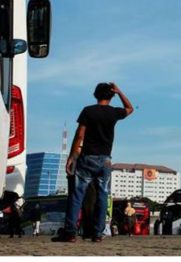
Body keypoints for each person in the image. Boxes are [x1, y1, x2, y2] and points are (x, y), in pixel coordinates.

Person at [55, 82, 134, 243]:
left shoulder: (88, 111)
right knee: (102, 197)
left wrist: (71, 156)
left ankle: (70, 233)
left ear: (95, 94)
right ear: (111, 96)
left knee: (77, 196)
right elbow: (130, 109)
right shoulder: (113, 113)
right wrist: (119, 92)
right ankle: (98, 234)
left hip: (87, 158)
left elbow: (80, 135)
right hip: (105, 160)